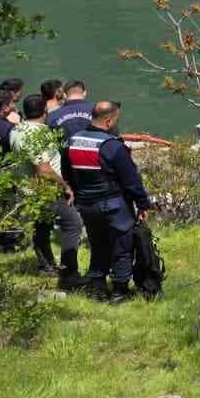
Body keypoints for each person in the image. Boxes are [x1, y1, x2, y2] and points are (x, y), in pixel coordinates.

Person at [61, 100, 153, 302]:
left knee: (98, 245)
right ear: (109, 120)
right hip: (113, 205)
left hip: (87, 206)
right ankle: (120, 290)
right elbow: (131, 179)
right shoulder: (112, 146)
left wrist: (76, 193)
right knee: (122, 246)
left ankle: (97, 287)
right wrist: (143, 204)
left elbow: (66, 173)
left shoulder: (72, 141)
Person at [16, 94, 83, 286]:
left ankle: (46, 266)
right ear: (44, 112)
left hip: (27, 189)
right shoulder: (39, 134)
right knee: (73, 224)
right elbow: (44, 169)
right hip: (46, 189)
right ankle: (69, 274)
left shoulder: (17, 129)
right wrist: (66, 185)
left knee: (42, 227)